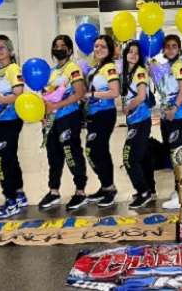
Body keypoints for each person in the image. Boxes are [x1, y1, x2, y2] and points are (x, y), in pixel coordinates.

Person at [38, 35, 89, 211]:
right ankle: (53, 191)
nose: (58, 49)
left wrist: (56, 105)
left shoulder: (72, 68)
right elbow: (44, 97)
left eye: (62, 46)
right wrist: (43, 114)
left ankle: (80, 191)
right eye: (55, 45)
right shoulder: (50, 72)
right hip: (51, 121)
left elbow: (79, 93)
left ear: (68, 49)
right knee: (53, 156)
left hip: (69, 117)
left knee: (71, 153)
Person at [0, 35, 27, 220]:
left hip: (10, 122)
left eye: (2, 47)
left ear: (10, 50)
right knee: (10, 159)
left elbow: (18, 95)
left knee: (0, 162)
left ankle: (10, 202)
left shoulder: (13, 69)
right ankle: (18, 194)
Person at [84, 34, 120, 208]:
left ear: (110, 50)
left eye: (103, 47)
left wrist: (92, 94)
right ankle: (105, 185)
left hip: (105, 114)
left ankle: (110, 187)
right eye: (96, 46)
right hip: (93, 114)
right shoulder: (94, 68)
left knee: (97, 150)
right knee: (93, 151)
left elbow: (114, 92)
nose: (98, 49)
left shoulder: (109, 68)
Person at [159, 35, 182, 210]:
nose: (170, 49)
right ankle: (178, 189)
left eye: (174, 46)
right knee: (173, 156)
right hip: (167, 119)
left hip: (179, 117)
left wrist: (174, 108)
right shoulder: (164, 67)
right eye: (167, 46)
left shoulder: (180, 66)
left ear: (179, 49)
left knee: (180, 156)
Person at [120, 40, 155, 209]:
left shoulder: (140, 72)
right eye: (130, 51)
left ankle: (143, 192)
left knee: (129, 158)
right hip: (135, 121)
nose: (133, 55)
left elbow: (141, 96)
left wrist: (127, 107)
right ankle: (149, 189)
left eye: (136, 52)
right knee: (143, 157)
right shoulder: (127, 72)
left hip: (140, 121)